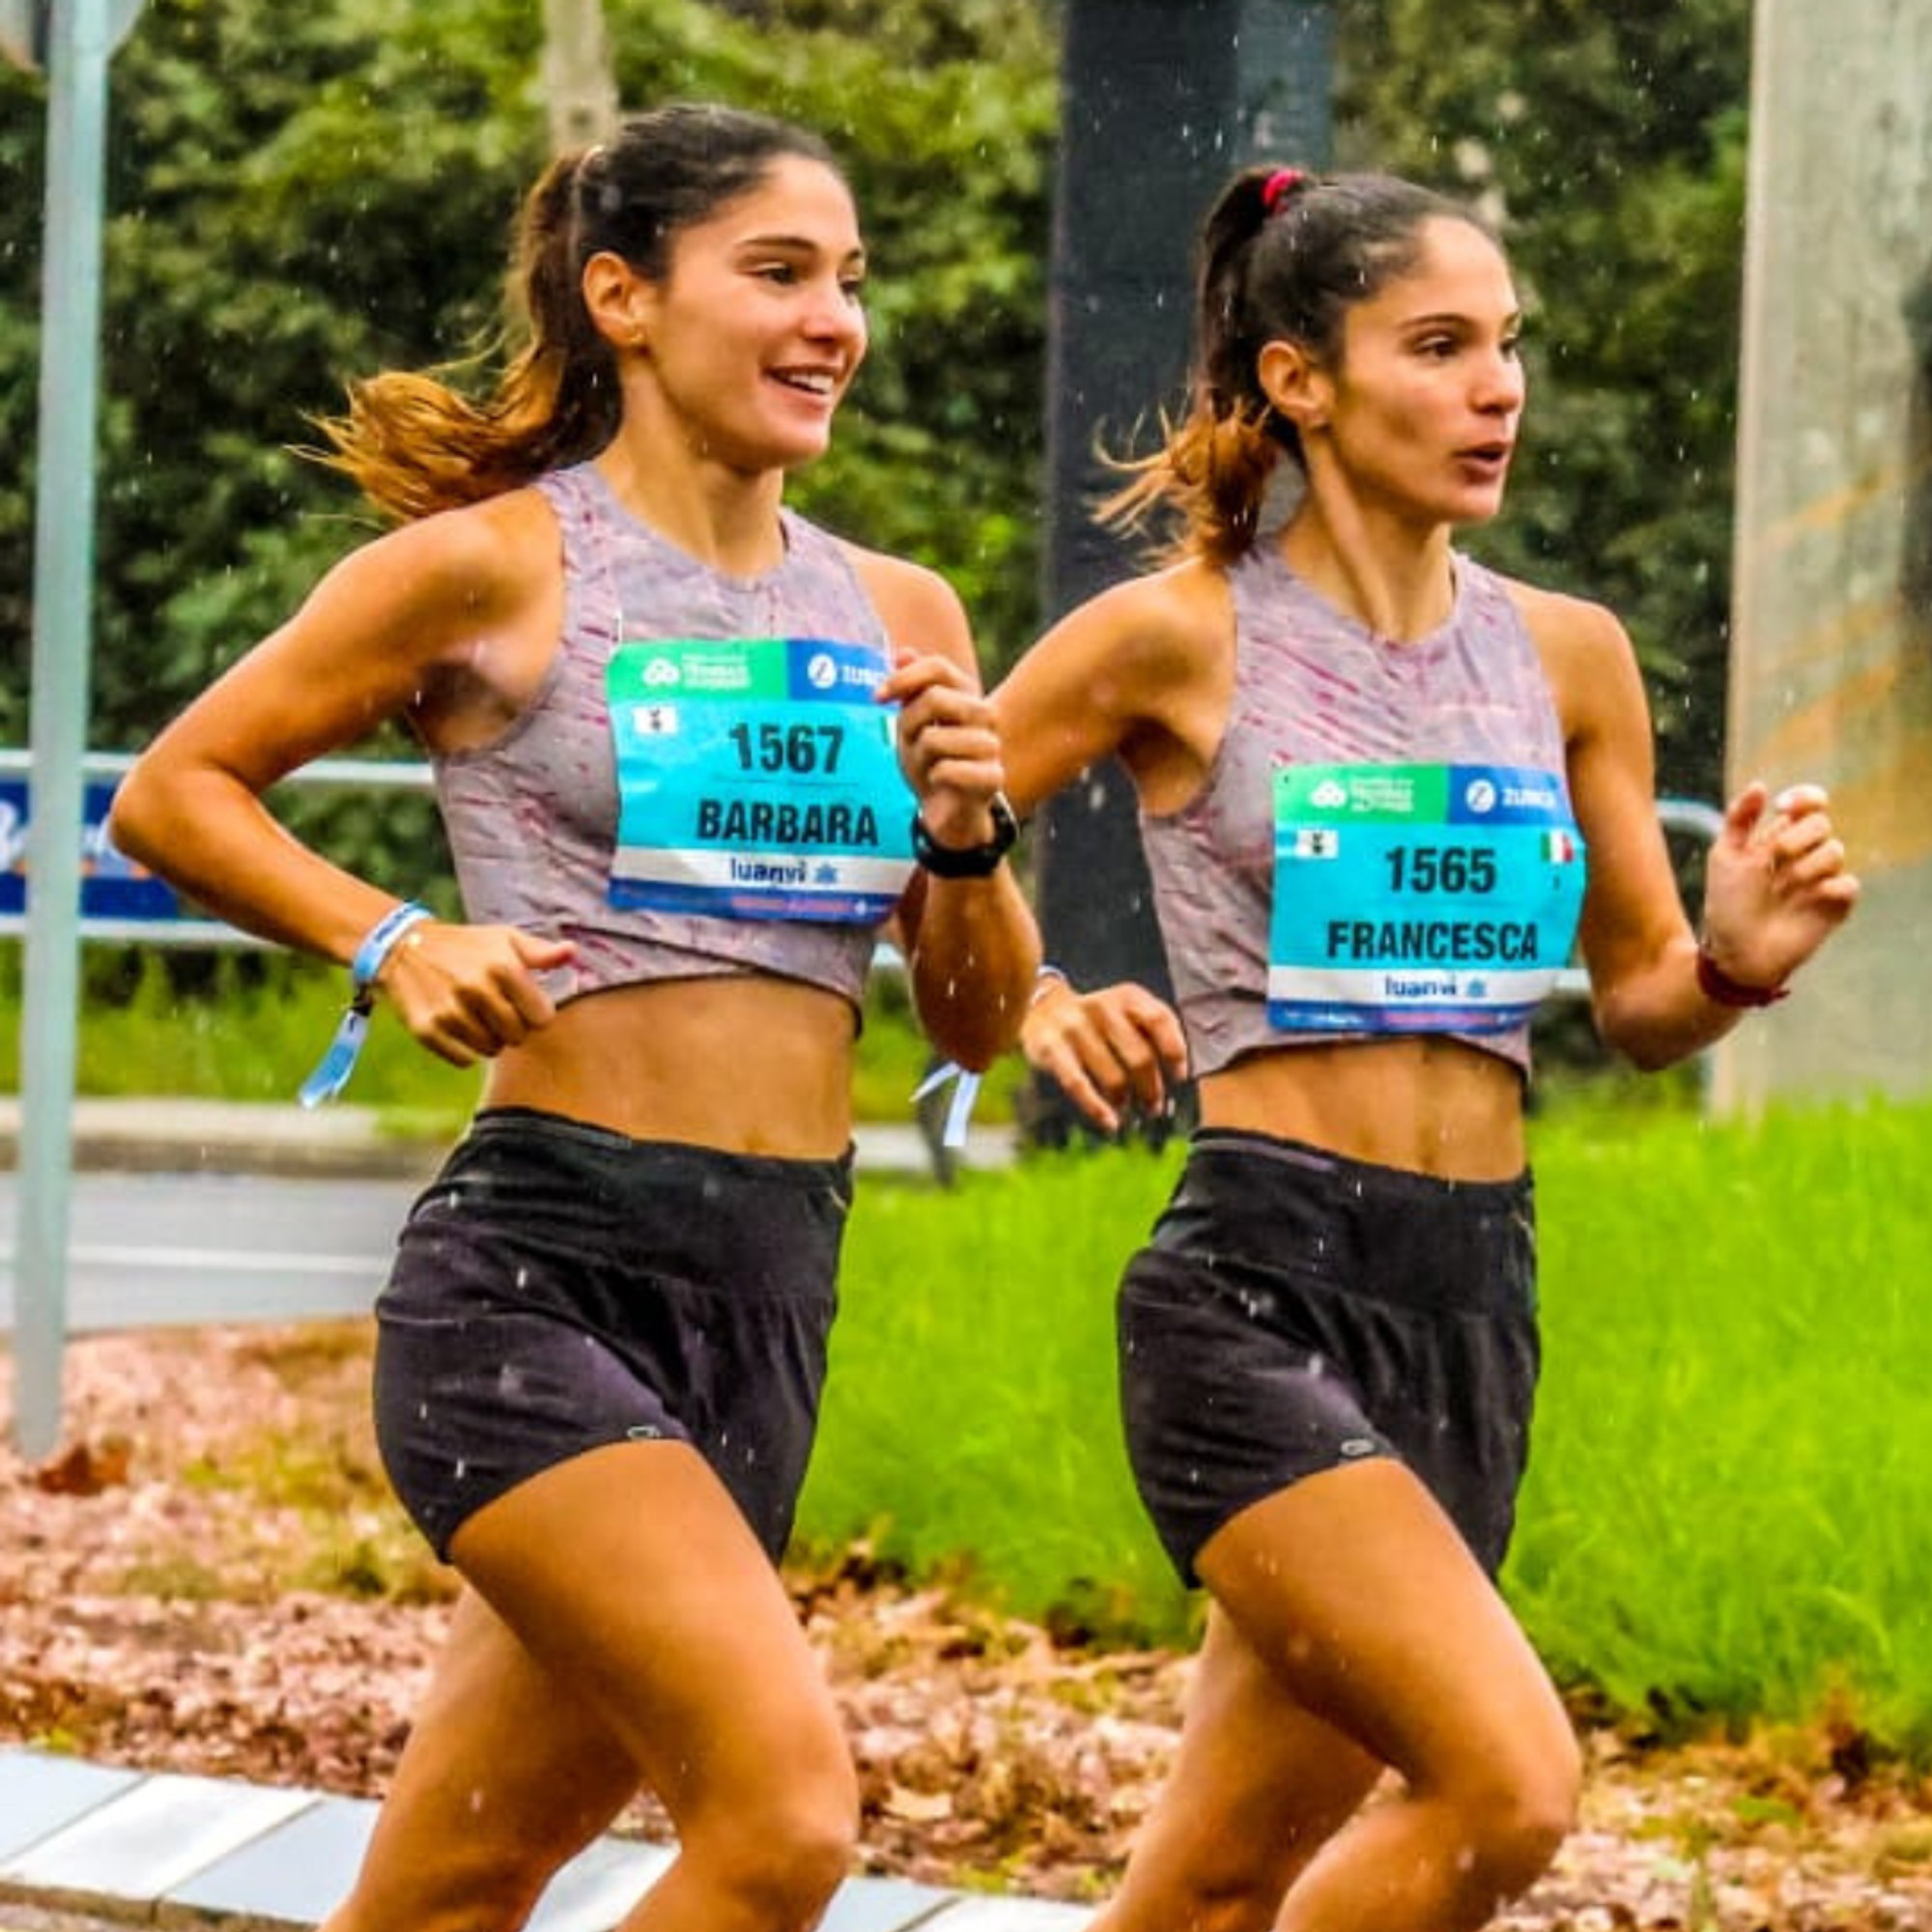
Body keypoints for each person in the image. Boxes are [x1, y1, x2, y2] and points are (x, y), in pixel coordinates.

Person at [109, 102, 1037, 1932]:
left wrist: (965, 833)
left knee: (452, 1885)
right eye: (777, 272)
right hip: (537, 1276)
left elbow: (975, 1024)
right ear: (625, 297)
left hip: (773, 1287)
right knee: (783, 1824)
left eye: (849, 282)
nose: (832, 321)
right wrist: (393, 939)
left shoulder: (898, 611)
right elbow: (175, 793)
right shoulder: (500, 565)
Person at [991, 164, 1859, 1932]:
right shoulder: (1179, 633)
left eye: (1508, 348)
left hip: (1471, 1297)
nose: (1498, 391)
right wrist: (1036, 996)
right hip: (1257, 1286)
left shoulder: (1568, 657)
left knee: (1215, 1883)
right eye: (1442, 347)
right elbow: (899, 832)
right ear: (1301, 380)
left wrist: (1735, 964)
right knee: (1505, 1785)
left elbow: (1641, 1003)